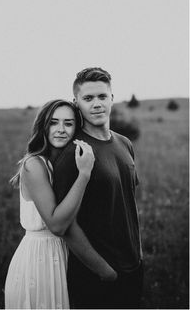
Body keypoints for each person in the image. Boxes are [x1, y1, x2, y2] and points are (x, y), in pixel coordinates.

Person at [52, 68, 143, 309]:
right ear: (76, 103)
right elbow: (66, 225)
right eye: (88, 98)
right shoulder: (74, 152)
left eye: (102, 96)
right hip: (97, 274)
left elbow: (126, 202)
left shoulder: (124, 144)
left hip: (133, 265)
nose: (97, 104)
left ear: (112, 98)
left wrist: (137, 256)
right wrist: (105, 271)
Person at [5, 99, 97, 309]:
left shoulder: (62, 163)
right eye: (54, 123)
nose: (61, 130)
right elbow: (57, 225)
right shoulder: (34, 164)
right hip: (38, 262)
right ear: (43, 127)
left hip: (61, 257)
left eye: (68, 123)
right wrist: (84, 174)